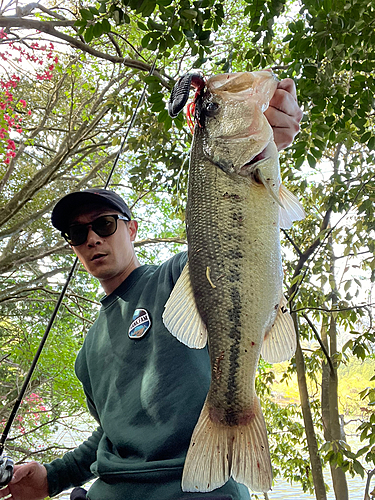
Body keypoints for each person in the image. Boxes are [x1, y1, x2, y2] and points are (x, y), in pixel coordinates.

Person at [0, 79, 303, 500]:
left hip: (199, 488)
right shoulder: (87, 353)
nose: (92, 239)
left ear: (132, 230)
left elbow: (230, 245)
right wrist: (51, 477)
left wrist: (268, 130)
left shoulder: (178, 276)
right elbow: (111, 436)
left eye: (104, 224)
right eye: (77, 232)